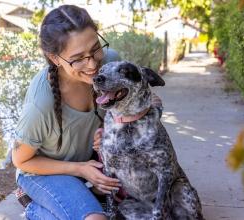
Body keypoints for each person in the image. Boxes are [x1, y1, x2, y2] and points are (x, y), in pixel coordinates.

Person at [12, 4, 162, 220]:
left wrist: (110, 128)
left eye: (95, 49)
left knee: (154, 201)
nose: (92, 64)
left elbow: (145, 103)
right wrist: (79, 169)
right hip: (42, 172)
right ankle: (34, 209)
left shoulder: (111, 62)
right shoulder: (41, 104)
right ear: (54, 58)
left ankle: (77, 197)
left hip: (91, 162)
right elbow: (21, 161)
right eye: (78, 58)